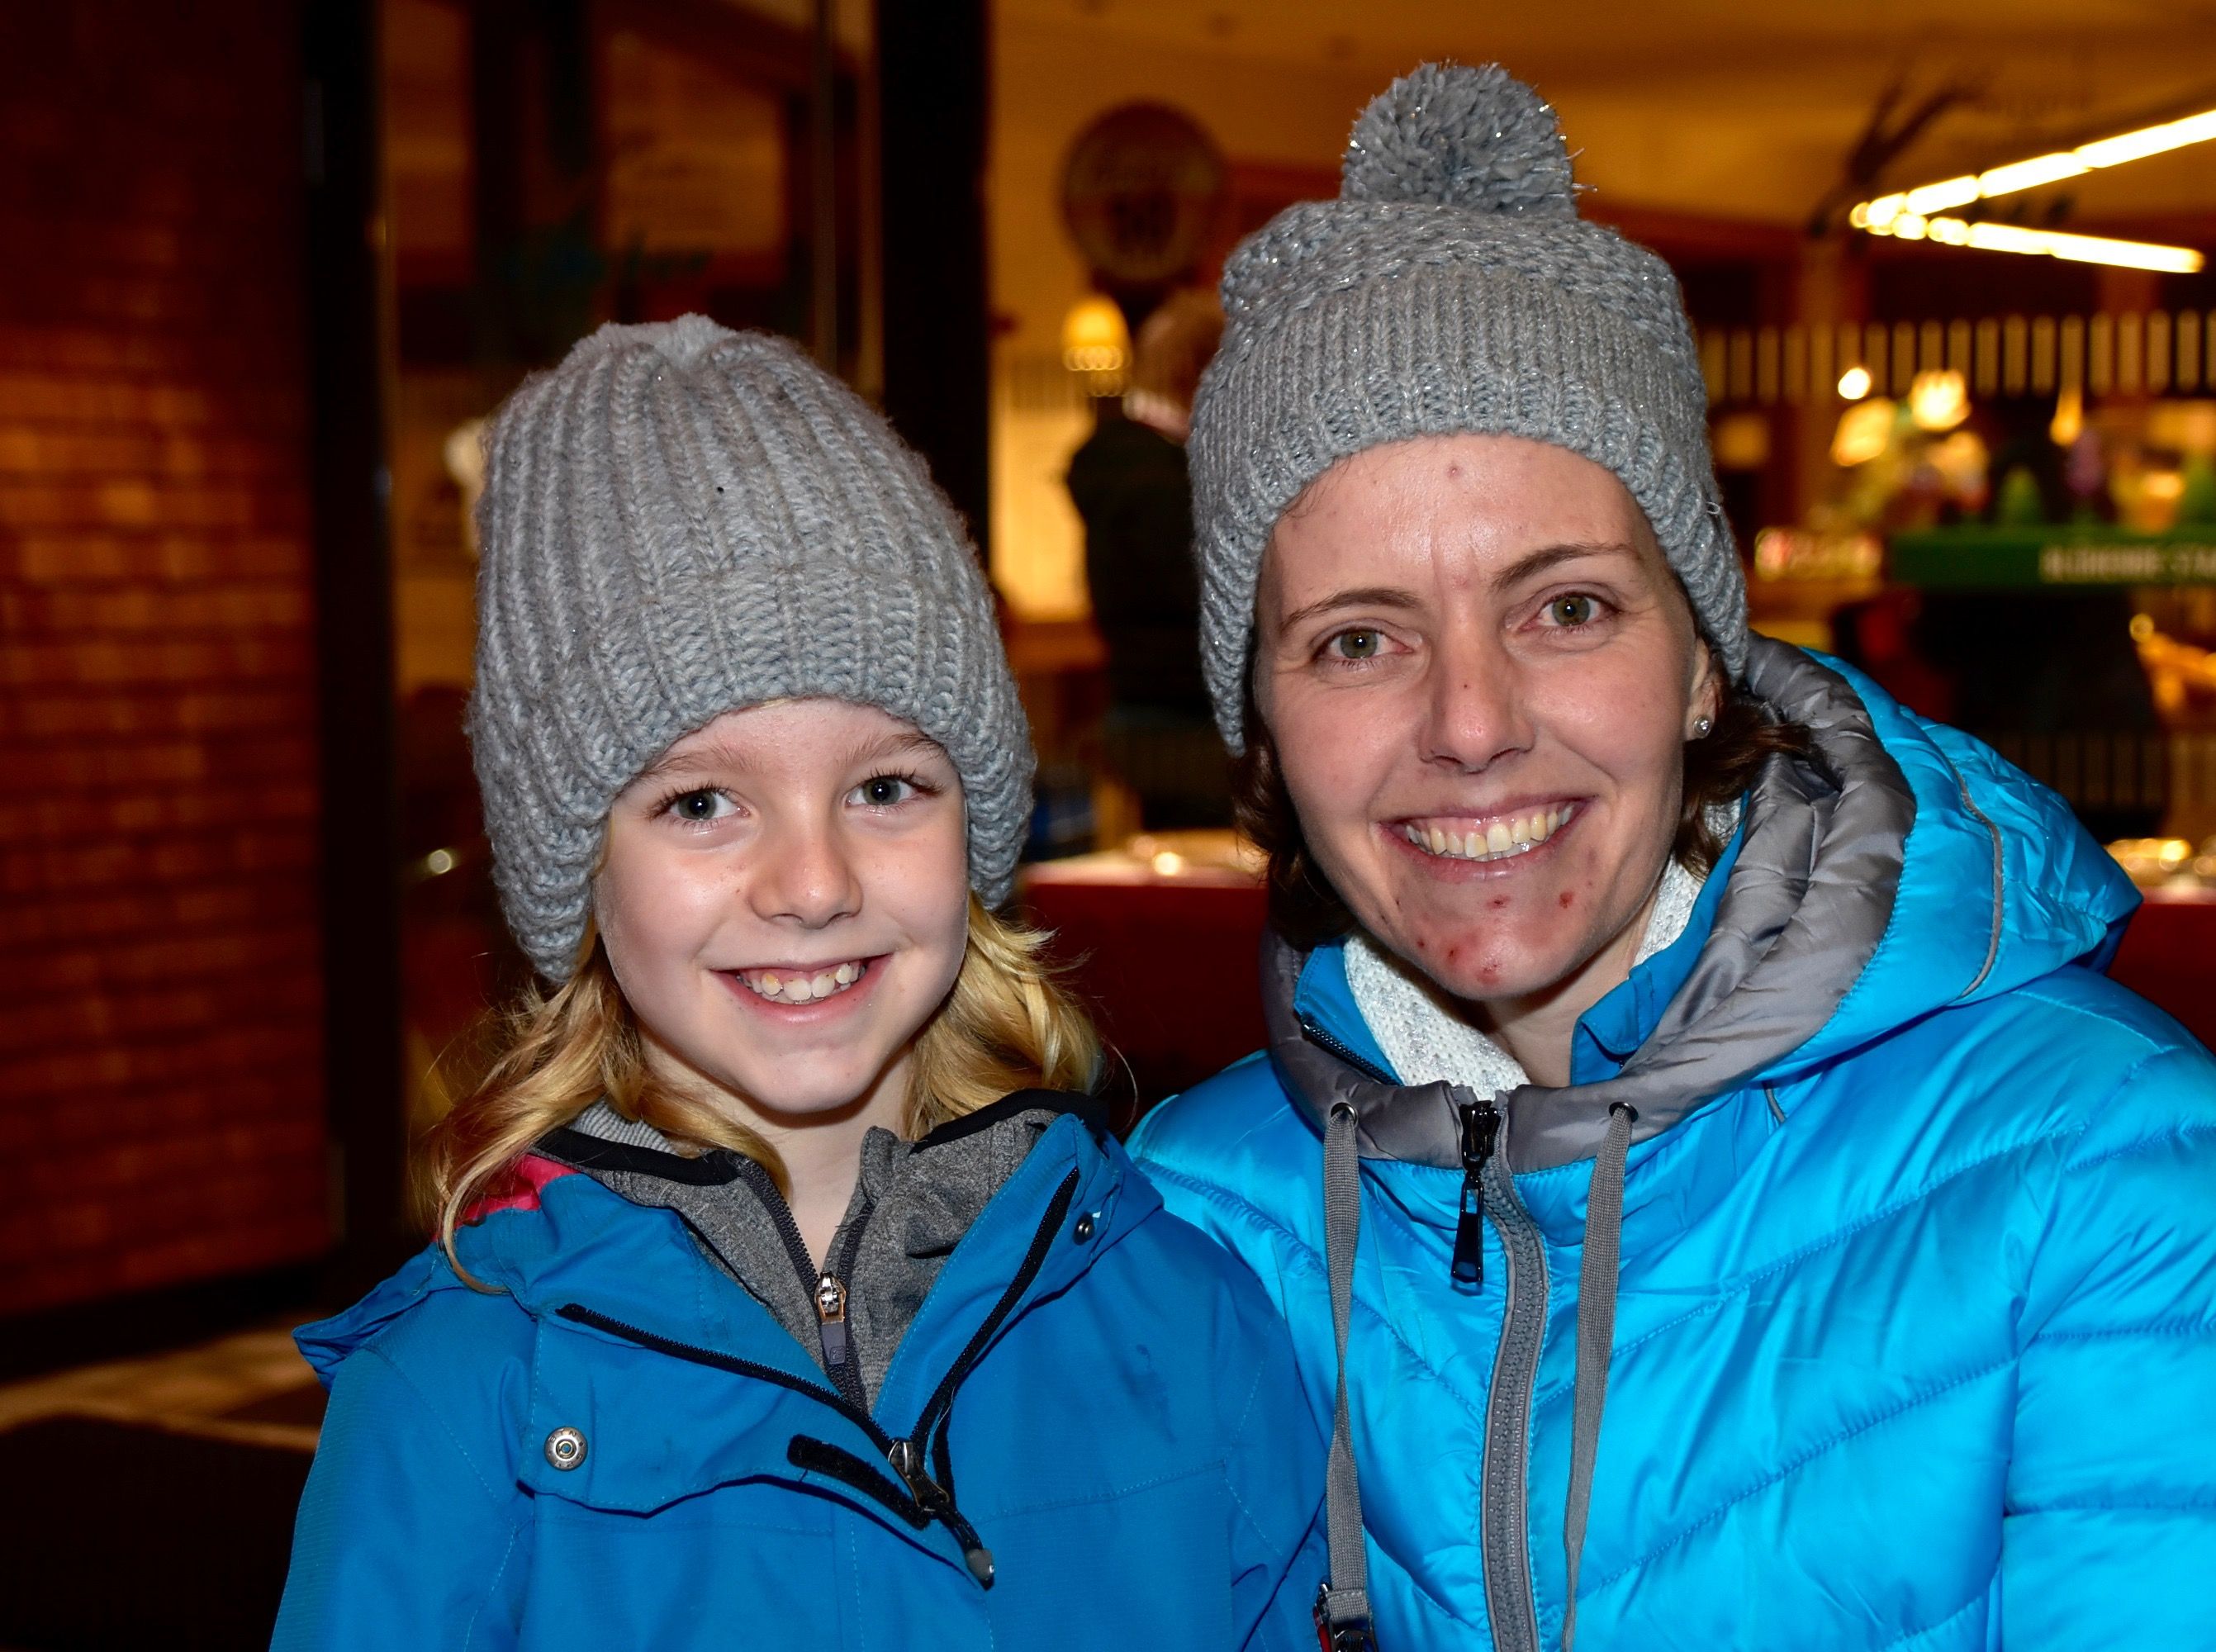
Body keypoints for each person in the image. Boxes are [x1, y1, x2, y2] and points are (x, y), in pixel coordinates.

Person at [1130, 64, 2216, 1652]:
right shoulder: (1184, 1222)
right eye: (1357, 639)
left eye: (1564, 607)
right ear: (1265, 731)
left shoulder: (2097, 1168)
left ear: (1703, 661)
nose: (1471, 724)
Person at [272, 318, 1324, 1651]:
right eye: (701, 802)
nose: (813, 883)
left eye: (884, 787)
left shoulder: (1185, 1318)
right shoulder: (454, 1398)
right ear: (578, 871)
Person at [1067, 290, 1231, 828]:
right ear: (1197, 372)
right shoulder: (1165, 486)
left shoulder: (1120, 466)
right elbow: (1213, 605)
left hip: (1139, 712)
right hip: (1191, 730)